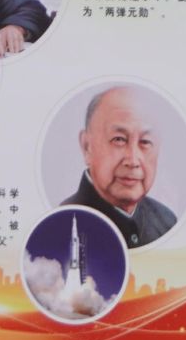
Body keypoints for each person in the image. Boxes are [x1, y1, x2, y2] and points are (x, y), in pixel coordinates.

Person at [58, 85, 176, 247]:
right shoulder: (60, 224)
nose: (133, 161)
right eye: (119, 139)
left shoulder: (166, 222)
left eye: (145, 142)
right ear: (87, 147)